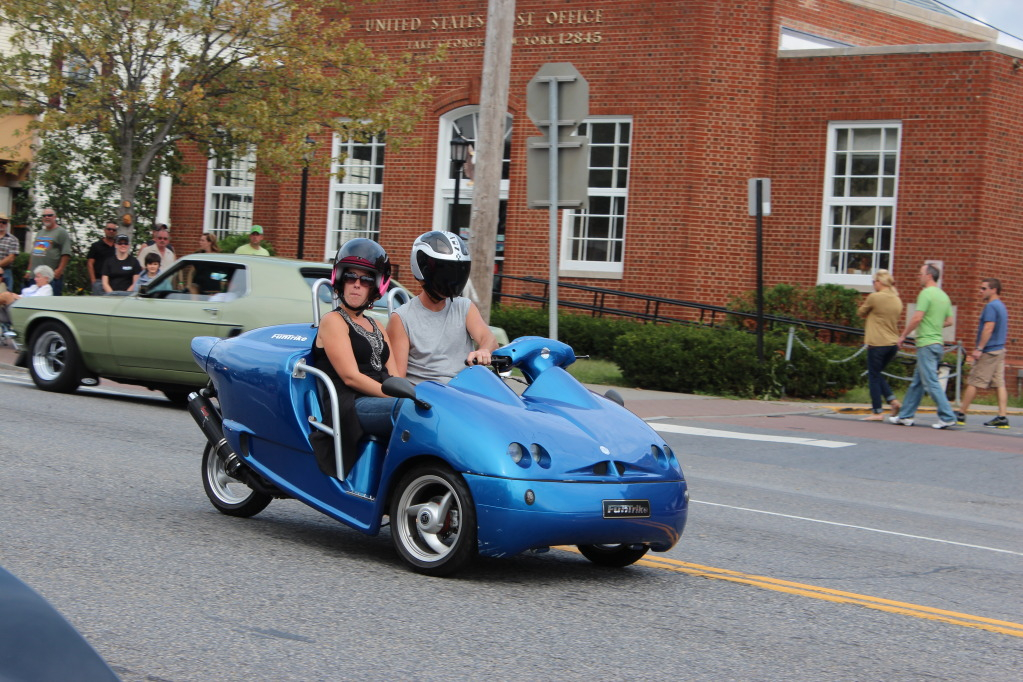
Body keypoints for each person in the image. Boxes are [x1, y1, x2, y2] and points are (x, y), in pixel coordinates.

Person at [311, 239, 398, 477]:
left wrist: (418, 394)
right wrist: (400, 397)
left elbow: (396, 376)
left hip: (378, 399)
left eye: (366, 279)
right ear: (340, 279)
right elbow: (350, 377)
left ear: (375, 286)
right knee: (407, 411)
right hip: (351, 403)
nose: (357, 285)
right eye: (351, 277)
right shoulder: (333, 321)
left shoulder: (378, 325)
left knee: (433, 408)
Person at [388, 230, 498, 384]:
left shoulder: (464, 307)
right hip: (428, 400)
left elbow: (489, 338)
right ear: (423, 270)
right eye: (446, 273)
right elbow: (398, 380)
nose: (451, 281)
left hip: (466, 392)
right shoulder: (401, 318)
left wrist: (484, 349)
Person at [888, 264, 957, 429]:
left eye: (920, 274)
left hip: (926, 343)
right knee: (918, 383)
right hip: (937, 343)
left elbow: (917, 318)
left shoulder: (926, 294)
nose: (918, 276)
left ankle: (947, 416)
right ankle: (905, 416)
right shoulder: (943, 296)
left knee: (931, 382)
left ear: (929, 276)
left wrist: (903, 335)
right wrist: (934, 324)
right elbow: (949, 321)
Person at [955, 278, 1009, 428]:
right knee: (999, 384)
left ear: (993, 290)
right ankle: (1002, 417)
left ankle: (961, 414)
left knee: (974, 381)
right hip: (1000, 350)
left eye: (984, 288)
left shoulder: (991, 307)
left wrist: (979, 348)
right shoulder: (1001, 306)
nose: (980, 291)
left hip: (989, 351)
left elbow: (988, 328)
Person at [857, 269, 903, 421]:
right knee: (877, 374)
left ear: (880, 282)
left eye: (873, 282)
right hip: (892, 343)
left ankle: (877, 411)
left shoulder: (875, 297)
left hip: (877, 343)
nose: (873, 285)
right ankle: (893, 402)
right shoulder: (897, 299)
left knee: (873, 376)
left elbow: (860, 312)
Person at [27, 208, 71, 296]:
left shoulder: (61, 232)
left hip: (50, 277)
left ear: (55, 217)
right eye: (44, 216)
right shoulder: (40, 232)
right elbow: (34, 253)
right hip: (35, 276)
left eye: (49, 215)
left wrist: (59, 270)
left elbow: (66, 253)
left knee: (50, 303)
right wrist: (28, 271)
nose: (47, 217)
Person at [86, 221, 119, 295]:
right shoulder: (96, 246)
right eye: (109, 229)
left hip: (114, 281)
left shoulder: (118, 247)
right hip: (99, 280)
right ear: (105, 230)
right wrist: (93, 280)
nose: (111, 231)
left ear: (116, 232)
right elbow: (90, 263)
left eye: (114, 230)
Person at [0, 213, 19, 293]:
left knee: (5, 296)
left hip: (5, 271)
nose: (1, 224)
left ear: (7, 224)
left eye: (4, 222)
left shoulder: (13, 239)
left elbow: (11, 258)